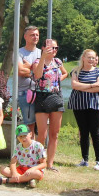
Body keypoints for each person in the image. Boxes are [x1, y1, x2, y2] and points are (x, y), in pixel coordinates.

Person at [31, 38, 67, 171]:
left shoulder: (57, 62)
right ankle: (40, 161)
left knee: (54, 133)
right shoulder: (37, 62)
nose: (54, 51)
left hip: (56, 96)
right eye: (51, 48)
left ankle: (50, 163)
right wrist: (43, 58)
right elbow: (37, 75)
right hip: (42, 97)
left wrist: (56, 81)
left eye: (56, 48)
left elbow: (65, 73)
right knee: (42, 134)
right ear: (44, 48)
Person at [69, 48, 99, 170]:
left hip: (95, 105)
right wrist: (91, 86)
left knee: (95, 132)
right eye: (89, 57)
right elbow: (74, 85)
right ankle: (84, 159)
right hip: (79, 104)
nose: (91, 60)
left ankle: (98, 161)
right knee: (83, 131)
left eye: (93, 57)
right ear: (83, 58)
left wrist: (82, 87)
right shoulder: (76, 71)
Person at [16, 26, 41, 130]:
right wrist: (35, 70)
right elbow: (20, 71)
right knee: (30, 125)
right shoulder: (19, 52)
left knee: (41, 124)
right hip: (25, 92)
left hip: (41, 92)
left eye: (37, 35)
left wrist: (29, 66)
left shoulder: (42, 53)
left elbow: (46, 73)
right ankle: (29, 146)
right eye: (32, 35)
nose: (35, 37)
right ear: (25, 37)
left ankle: (39, 146)